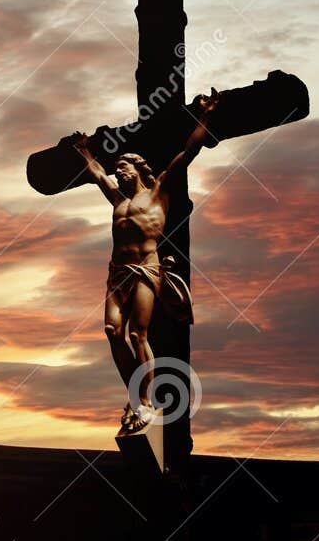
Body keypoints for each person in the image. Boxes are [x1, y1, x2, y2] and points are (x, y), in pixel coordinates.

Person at [68, 89, 218, 432]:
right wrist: (83, 150)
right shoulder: (117, 201)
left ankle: (147, 401)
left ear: (136, 168)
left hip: (146, 270)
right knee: (111, 331)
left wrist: (205, 116)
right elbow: (97, 175)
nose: (117, 172)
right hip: (116, 272)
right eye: (117, 168)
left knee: (138, 334)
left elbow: (188, 152)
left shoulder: (158, 192)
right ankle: (134, 396)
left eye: (122, 167)